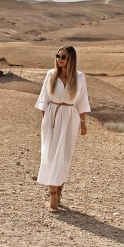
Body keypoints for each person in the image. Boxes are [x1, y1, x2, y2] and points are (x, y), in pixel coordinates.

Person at [35, 45, 90, 212]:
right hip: (52, 117)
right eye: (58, 55)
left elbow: (82, 100)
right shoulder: (51, 75)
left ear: (71, 59)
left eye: (64, 57)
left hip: (70, 119)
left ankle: (59, 193)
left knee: (65, 157)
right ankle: (53, 200)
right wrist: (46, 120)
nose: (60, 59)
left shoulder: (79, 77)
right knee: (50, 155)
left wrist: (82, 122)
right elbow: (44, 100)